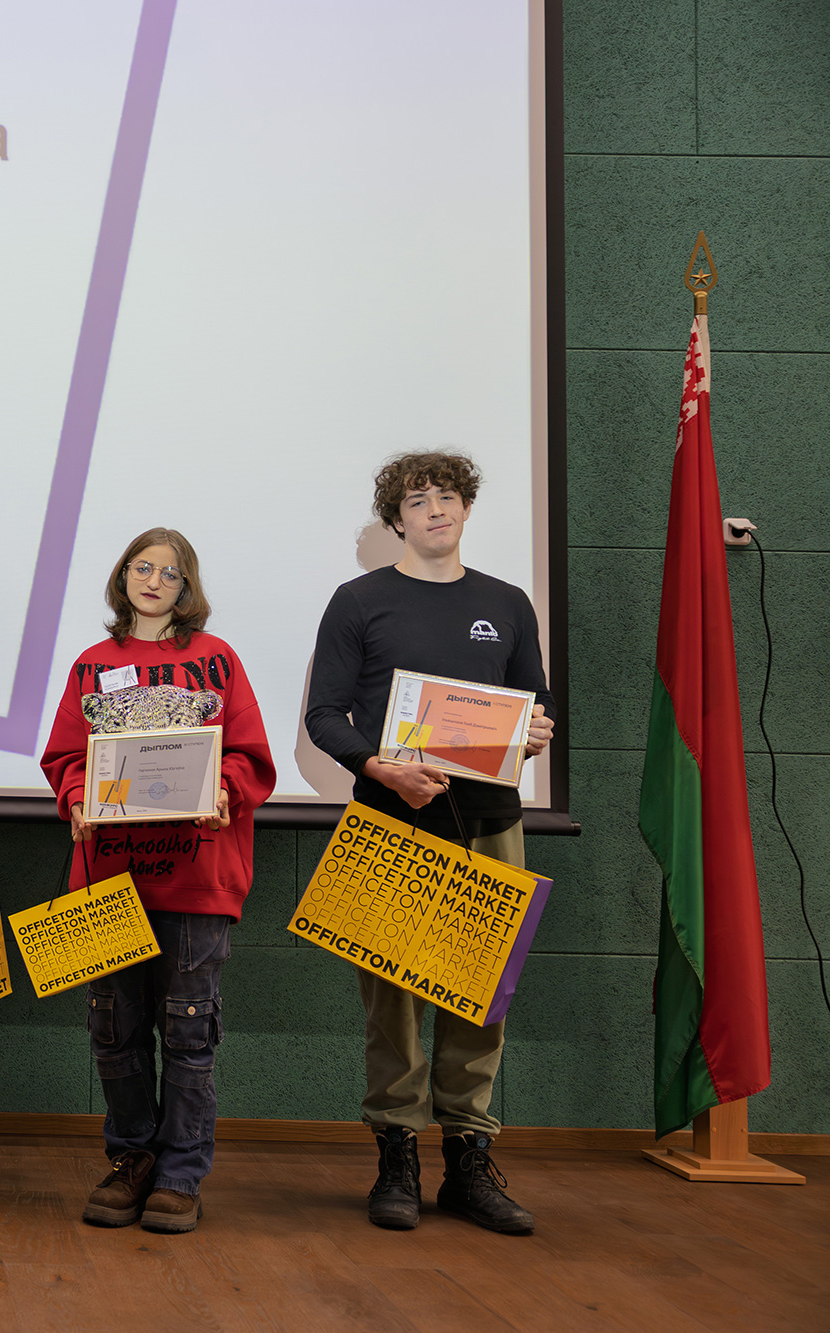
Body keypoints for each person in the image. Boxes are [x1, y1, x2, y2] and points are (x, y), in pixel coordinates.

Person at [304, 451, 554, 1235]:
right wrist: (380, 766)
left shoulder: (507, 603)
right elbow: (325, 716)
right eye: (418, 500)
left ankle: (468, 1162)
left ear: (467, 508)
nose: (436, 509)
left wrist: (535, 730)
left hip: (491, 824)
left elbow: (536, 706)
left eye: (448, 496)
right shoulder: (358, 601)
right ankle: (397, 1157)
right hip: (389, 822)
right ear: (396, 519)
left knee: (481, 998)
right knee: (392, 1004)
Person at [39, 528, 276, 1235]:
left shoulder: (217, 660)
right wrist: (76, 797)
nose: (153, 580)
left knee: (188, 1033)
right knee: (113, 1032)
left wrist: (225, 787)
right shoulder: (92, 665)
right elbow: (65, 758)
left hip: (197, 878)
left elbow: (250, 755)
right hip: (107, 879)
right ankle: (132, 1160)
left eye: (169, 572)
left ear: (186, 587)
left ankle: (179, 1175)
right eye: (142, 567)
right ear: (123, 577)